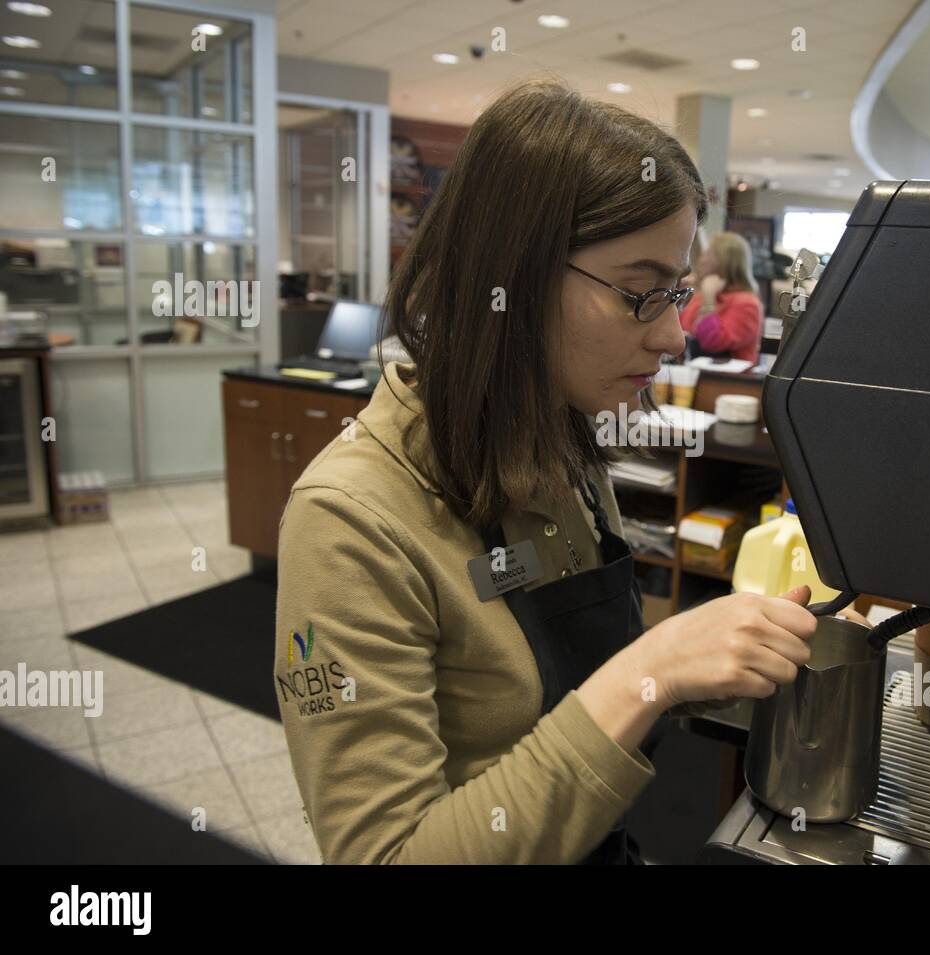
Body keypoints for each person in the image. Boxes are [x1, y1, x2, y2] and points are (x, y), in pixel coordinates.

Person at [272, 78, 818, 865]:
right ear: (512, 279)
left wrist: (700, 663)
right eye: (641, 293)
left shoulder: (561, 441)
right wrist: (648, 671)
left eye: (675, 292)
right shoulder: (351, 521)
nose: (674, 337)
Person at [677, 231, 764, 363]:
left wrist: (708, 301)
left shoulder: (747, 304)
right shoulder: (699, 295)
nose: (702, 260)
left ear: (726, 262)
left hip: (725, 375)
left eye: (709, 254)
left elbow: (712, 343)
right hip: (689, 370)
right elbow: (679, 336)